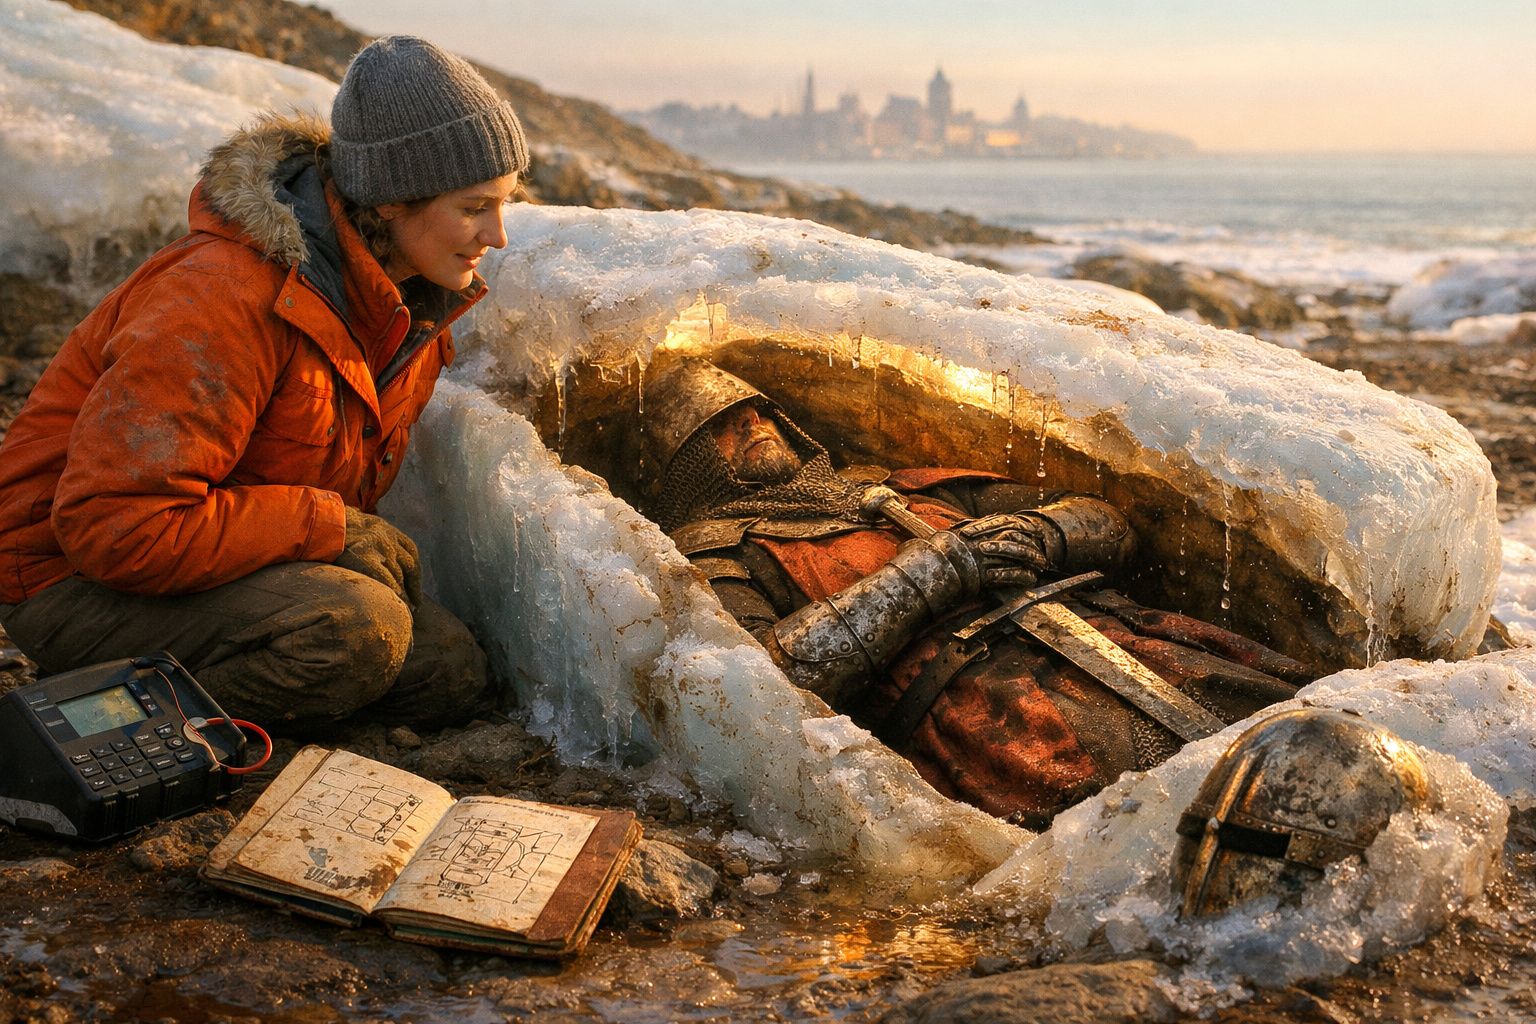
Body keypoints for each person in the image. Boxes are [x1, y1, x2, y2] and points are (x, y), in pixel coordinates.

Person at [0, 37, 527, 733]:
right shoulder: (221, 297)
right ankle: (113, 735)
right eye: (474, 207)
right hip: (67, 578)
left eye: (506, 203)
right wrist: (326, 527)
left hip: (215, 552)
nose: (498, 235)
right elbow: (115, 527)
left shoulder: (405, 302)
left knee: (447, 673)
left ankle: (192, 688)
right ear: (392, 201)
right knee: (353, 630)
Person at [641, 358, 1315, 828]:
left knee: (1302, 724)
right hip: (978, 706)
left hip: (1107, 634)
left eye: (757, 413)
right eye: (725, 426)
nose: (753, 425)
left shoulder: (896, 485)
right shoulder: (718, 552)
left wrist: (1043, 534)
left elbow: (1105, 521)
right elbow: (765, 682)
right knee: (1147, 825)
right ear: (690, 465)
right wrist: (934, 573)